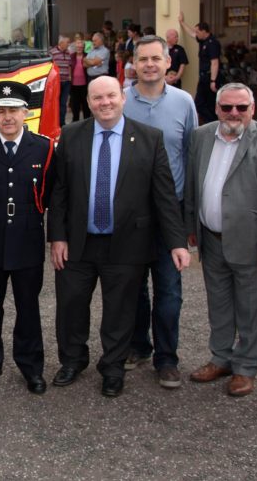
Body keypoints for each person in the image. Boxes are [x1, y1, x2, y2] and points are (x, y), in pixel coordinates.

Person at [48, 76, 189, 398]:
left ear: (123, 98)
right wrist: (57, 237)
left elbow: (165, 196)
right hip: (78, 242)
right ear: (89, 102)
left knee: (120, 311)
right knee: (70, 306)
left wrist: (177, 242)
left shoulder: (150, 139)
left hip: (127, 243)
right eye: (97, 98)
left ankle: (112, 369)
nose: (104, 103)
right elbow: (60, 192)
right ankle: (72, 360)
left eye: (111, 96)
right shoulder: (71, 136)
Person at [185, 83, 257, 397]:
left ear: (252, 109)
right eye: (227, 107)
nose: (234, 113)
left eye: (241, 108)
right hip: (211, 238)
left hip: (251, 242)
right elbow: (194, 182)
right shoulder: (201, 136)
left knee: (251, 309)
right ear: (217, 109)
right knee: (218, 305)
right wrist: (191, 224)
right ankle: (221, 359)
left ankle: (246, 368)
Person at [0, 81, 55, 395]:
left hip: (27, 238)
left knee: (28, 307)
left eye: (13, 110)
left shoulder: (43, 147)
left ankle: (31, 368)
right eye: (1, 111)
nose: (7, 117)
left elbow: (50, 193)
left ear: (25, 113)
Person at [122, 36, 198, 389]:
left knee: (169, 290)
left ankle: (167, 358)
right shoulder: (119, 100)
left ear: (169, 62)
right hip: (131, 213)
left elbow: (191, 156)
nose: (150, 64)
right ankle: (138, 346)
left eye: (156, 58)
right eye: (143, 59)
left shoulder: (184, 103)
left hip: (172, 211)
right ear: (133, 63)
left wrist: (190, 218)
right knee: (133, 287)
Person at [180, 13, 222, 123]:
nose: (196, 34)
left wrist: (213, 81)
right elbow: (192, 33)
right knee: (200, 103)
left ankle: (213, 123)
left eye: (198, 31)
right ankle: (212, 123)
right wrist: (182, 22)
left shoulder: (212, 43)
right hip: (203, 77)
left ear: (204, 31)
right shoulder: (203, 40)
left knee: (206, 104)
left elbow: (215, 63)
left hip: (209, 77)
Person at [48, 34, 72, 126]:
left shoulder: (67, 52)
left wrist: (70, 77)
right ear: (61, 43)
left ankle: (62, 123)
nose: (68, 44)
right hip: (56, 82)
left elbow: (69, 65)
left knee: (63, 103)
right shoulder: (52, 52)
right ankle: (54, 123)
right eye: (67, 42)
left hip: (66, 82)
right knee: (54, 103)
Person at [69, 33, 90, 121]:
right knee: (75, 106)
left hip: (85, 84)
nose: (79, 48)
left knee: (85, 105)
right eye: (77, 46)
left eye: (81, 47)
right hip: (74, 85)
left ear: (83, 47)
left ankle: (87, 122)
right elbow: (69, 67)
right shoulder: (72, 56)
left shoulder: (87, 56)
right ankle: (75, 122)